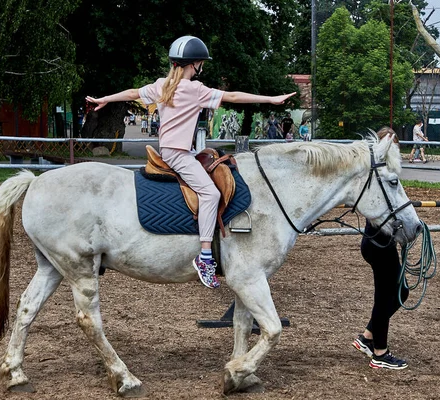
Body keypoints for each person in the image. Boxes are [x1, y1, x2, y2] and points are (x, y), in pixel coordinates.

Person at [86, 35, 295, 289]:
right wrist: (270, 100)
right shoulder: (196, 90)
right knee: (210, 194)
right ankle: (205, 255)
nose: (202, 67)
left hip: (169, 152)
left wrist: (105, 99)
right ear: (194, 64)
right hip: (179, 155)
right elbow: (234, 97)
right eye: (201, 63)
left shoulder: (162, 85)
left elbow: (132, 93)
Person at [352, 126, 410, 370]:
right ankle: (380, 353)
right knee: (387, 296)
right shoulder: (378, 173)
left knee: (399, 292)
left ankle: (367, 337)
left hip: (377, 241)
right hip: (380, 242)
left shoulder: (380, 170)